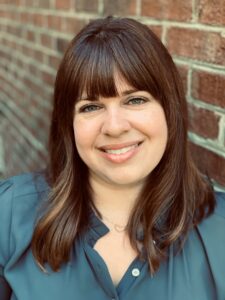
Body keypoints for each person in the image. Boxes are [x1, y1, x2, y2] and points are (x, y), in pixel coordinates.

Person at [0, 16, 224, 300]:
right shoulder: (9, 214)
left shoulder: (219, 230)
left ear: (170, 110)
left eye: (135, 100)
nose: (115, 127)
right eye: (91, 107)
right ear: (68, 124)